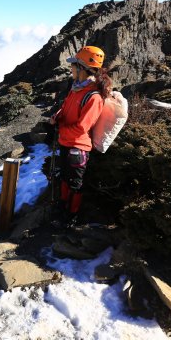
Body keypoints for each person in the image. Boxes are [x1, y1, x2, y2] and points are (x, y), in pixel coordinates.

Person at [49, 46, 113, 224]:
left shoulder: (93, 97)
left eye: (74, 65)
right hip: (66, 142)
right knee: (64, 177)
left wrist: (59, 127)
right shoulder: (76, 88)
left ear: (83, 68)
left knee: (75, 184)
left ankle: (71, 216)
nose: (71, 69)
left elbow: (81, 128)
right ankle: (62, 207)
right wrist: (58, 116)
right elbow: (66, 108)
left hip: (78, 147)